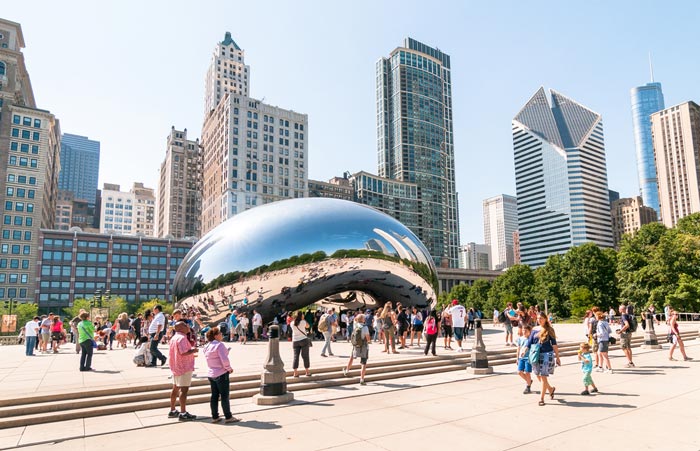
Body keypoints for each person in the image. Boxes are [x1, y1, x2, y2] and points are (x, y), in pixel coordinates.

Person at [204, 327, 240, 423]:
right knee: (224, 396)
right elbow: (224, 360)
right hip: (221, 372)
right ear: (216, 335)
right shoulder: (219, 345)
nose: (221, 335)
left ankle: (215, 416)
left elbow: (213, 357)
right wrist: (229, 368)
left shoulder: (207, 346)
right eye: (220, 333)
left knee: (214, 396)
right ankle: (228, 416)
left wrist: (225, 351)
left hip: (211, 373)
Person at [167, 321, 198, 422]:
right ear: (180, 328)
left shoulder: (174, 338)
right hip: (184, 367)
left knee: (175, 388)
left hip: (175, 366)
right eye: (185, 325)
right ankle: (183, 412)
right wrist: (194, 350)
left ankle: (172, 410)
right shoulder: (182, 338)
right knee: (184, 390)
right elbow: (184, 352)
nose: (187, 326)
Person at [528, 312, 560, 406]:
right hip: (535, 355)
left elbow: (554, 344)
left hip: (547, 354)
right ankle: (550, 389)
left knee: (543, 376)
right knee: (538, 375)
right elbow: (529, 343)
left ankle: (541, 398)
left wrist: (557, 357)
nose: (539, 320)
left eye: (541, 318)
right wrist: (523, 351)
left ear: (545, 319)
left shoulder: (550, 329)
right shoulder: (534, 330)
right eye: (538, 318)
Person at [343, 313, 370, 385]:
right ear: (363, 320)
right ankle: (362, 379)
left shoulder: (355, 325)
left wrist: (358, 318)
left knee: (351, 357)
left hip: (356, 345)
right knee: (363, 363)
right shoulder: (365, 327)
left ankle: (347, 371)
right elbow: (367, 338)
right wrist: (369, 341)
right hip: (364, 346)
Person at [291, 311, 311, 377]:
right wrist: (303, 319)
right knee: (305, 356)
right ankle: (307, 372)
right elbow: (308, 326)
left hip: (295, 341)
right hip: (303, 340)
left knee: (295, 356)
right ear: (301, 316)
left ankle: (295, 372)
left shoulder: (292, 323)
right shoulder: (303, 322)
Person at [516, 324, 533, 394]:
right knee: (519, 372)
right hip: (521, 357)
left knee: (527, 372)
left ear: (529, 331)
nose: (524, 332)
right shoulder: (520, 338)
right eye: (523, 330)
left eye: (526, 330)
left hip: (528, 358)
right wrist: (517, 358)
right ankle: (529, 381)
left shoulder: (531, 339)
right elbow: (518, 348)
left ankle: (528, 387)